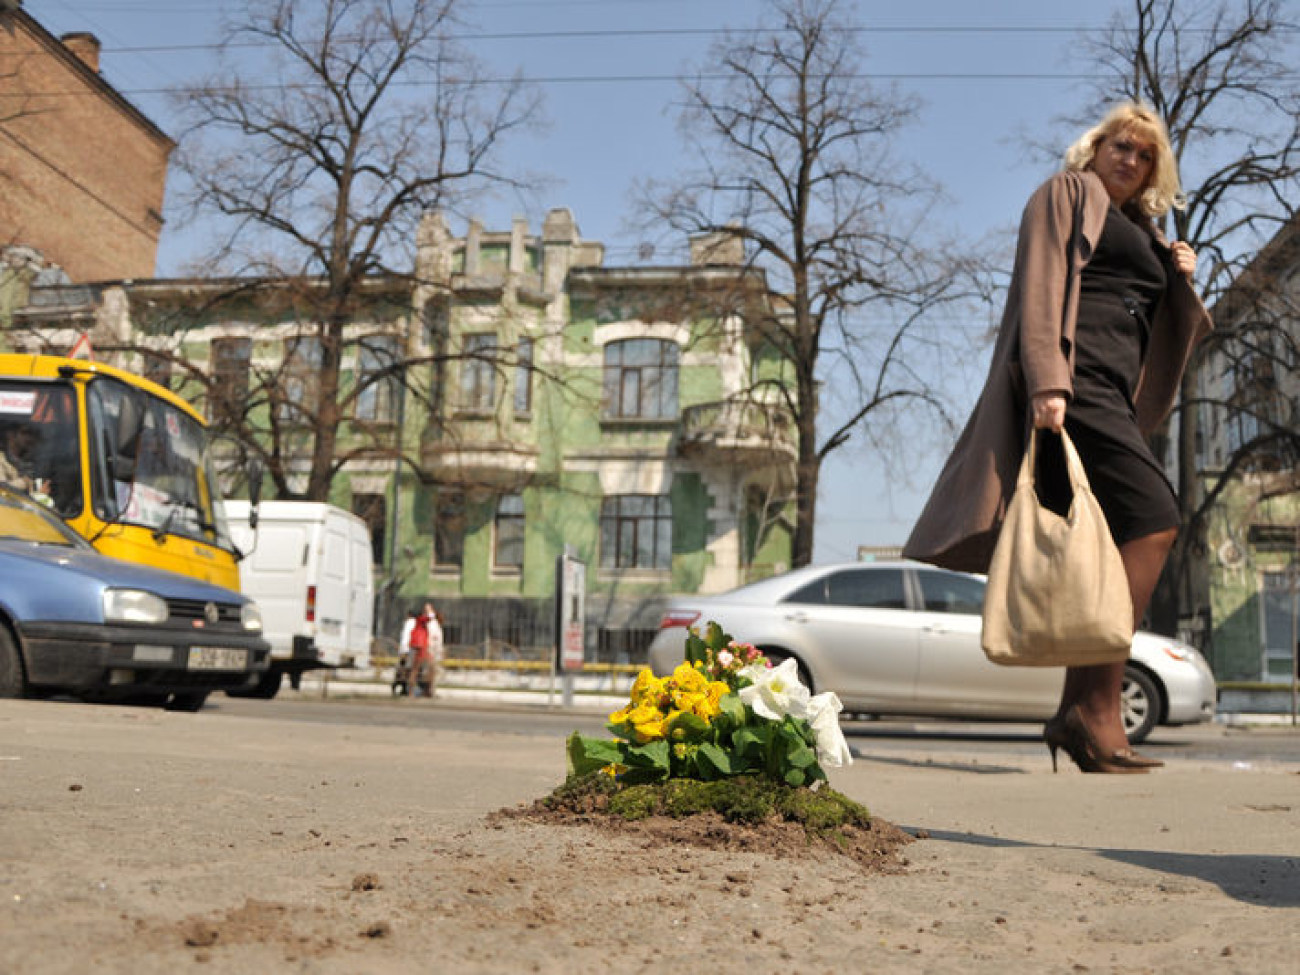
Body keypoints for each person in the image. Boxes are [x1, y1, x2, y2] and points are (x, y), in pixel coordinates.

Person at [903, 102, 1211, 774]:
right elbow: (1044, 283)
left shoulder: (1141, 227)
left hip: (1114, 395)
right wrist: (1048, 380)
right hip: (1079, 382)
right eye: (1119, 146)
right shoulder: (1066, 193)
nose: (1129, 160)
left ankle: (1082, 713)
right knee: (1155, 516)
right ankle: (1093, 707)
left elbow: (1154, 320)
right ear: (1093, 148)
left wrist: (1177, 275)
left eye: (1143, 154)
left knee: (1129, 528)